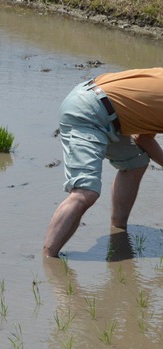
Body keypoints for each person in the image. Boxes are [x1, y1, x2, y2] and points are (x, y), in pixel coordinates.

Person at [43, 67, 163, 258]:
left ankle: (118, 230)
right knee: (86, 193)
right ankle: (48, 260)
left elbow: (142, 138)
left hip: (103, 109)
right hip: (88, 113)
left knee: (135, 162)